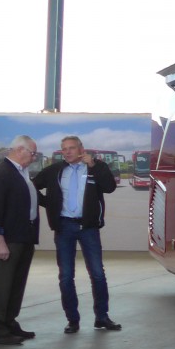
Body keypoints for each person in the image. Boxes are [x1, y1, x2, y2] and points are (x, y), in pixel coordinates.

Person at [33, 135, 121, 333]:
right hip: (64, 227)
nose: (67, 152)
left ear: (81, 149)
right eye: (64, 149)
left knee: (97, 274)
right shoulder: (54, 170)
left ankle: (102, 317)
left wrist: (96, 165)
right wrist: (49, 203)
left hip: (88, 228)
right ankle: (72, 320)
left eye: (71, 148)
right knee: (66, 276)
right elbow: (32, 186)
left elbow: (109, 187)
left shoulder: (94, 168)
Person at [0, 135, 41, 345]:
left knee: (16, 283)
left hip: (23, 237)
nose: (34, 157)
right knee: (2, 284)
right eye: (33, 153)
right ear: (20, 150)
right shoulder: (2, 174)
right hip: (7, 240)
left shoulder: (21, 173)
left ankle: (9, 321)